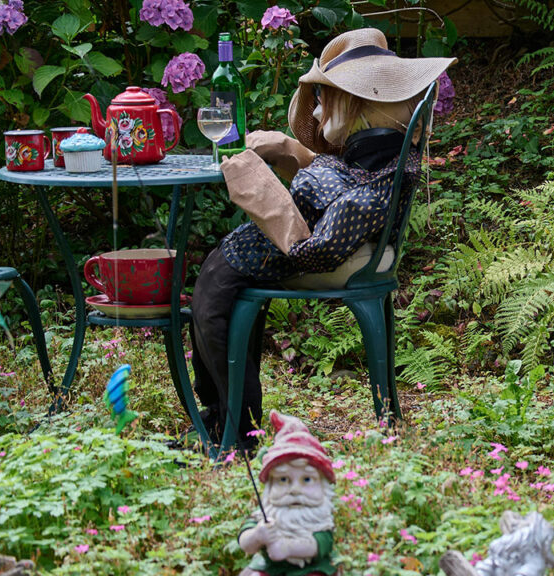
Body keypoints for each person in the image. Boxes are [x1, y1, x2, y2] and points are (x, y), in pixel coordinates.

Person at [190, 28, 455, 449]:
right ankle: (226, 419)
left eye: (323, 99)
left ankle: (233, 431)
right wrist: (291, 151)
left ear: (355, 105)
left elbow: (318, 249)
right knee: (217, 293)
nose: (314, 112)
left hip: (281, 255)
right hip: (298, 254)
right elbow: (341, 184)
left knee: (212, 299)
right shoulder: (382, 158)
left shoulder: (377, 186)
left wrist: (260, 190)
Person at [237, 411, 339, 576]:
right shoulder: (265, 516)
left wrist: (287, 548)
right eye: (283, 479)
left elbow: (318, 545)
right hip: (269, 569)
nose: (295, 490)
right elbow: (245, 543)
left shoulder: (320, 522)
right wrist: (257, 535)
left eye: (307, 479)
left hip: (311, 570)